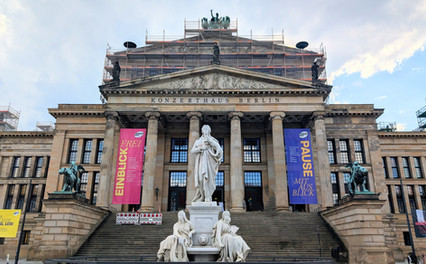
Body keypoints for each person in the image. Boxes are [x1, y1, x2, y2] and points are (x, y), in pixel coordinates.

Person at [191, 125, 223, 203]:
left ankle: (208, 197)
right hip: (201, 162)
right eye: (204, 129)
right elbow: (192, 151)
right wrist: (201, 148)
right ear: (202, 131)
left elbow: (219, 149)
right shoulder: (198, 141)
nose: (205, 130)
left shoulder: (212, 140)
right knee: (201, 179)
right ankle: (202, 196)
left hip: (210, 162)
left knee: (208, 180)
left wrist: (210, 142)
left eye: (207, 129)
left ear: (209, 131)